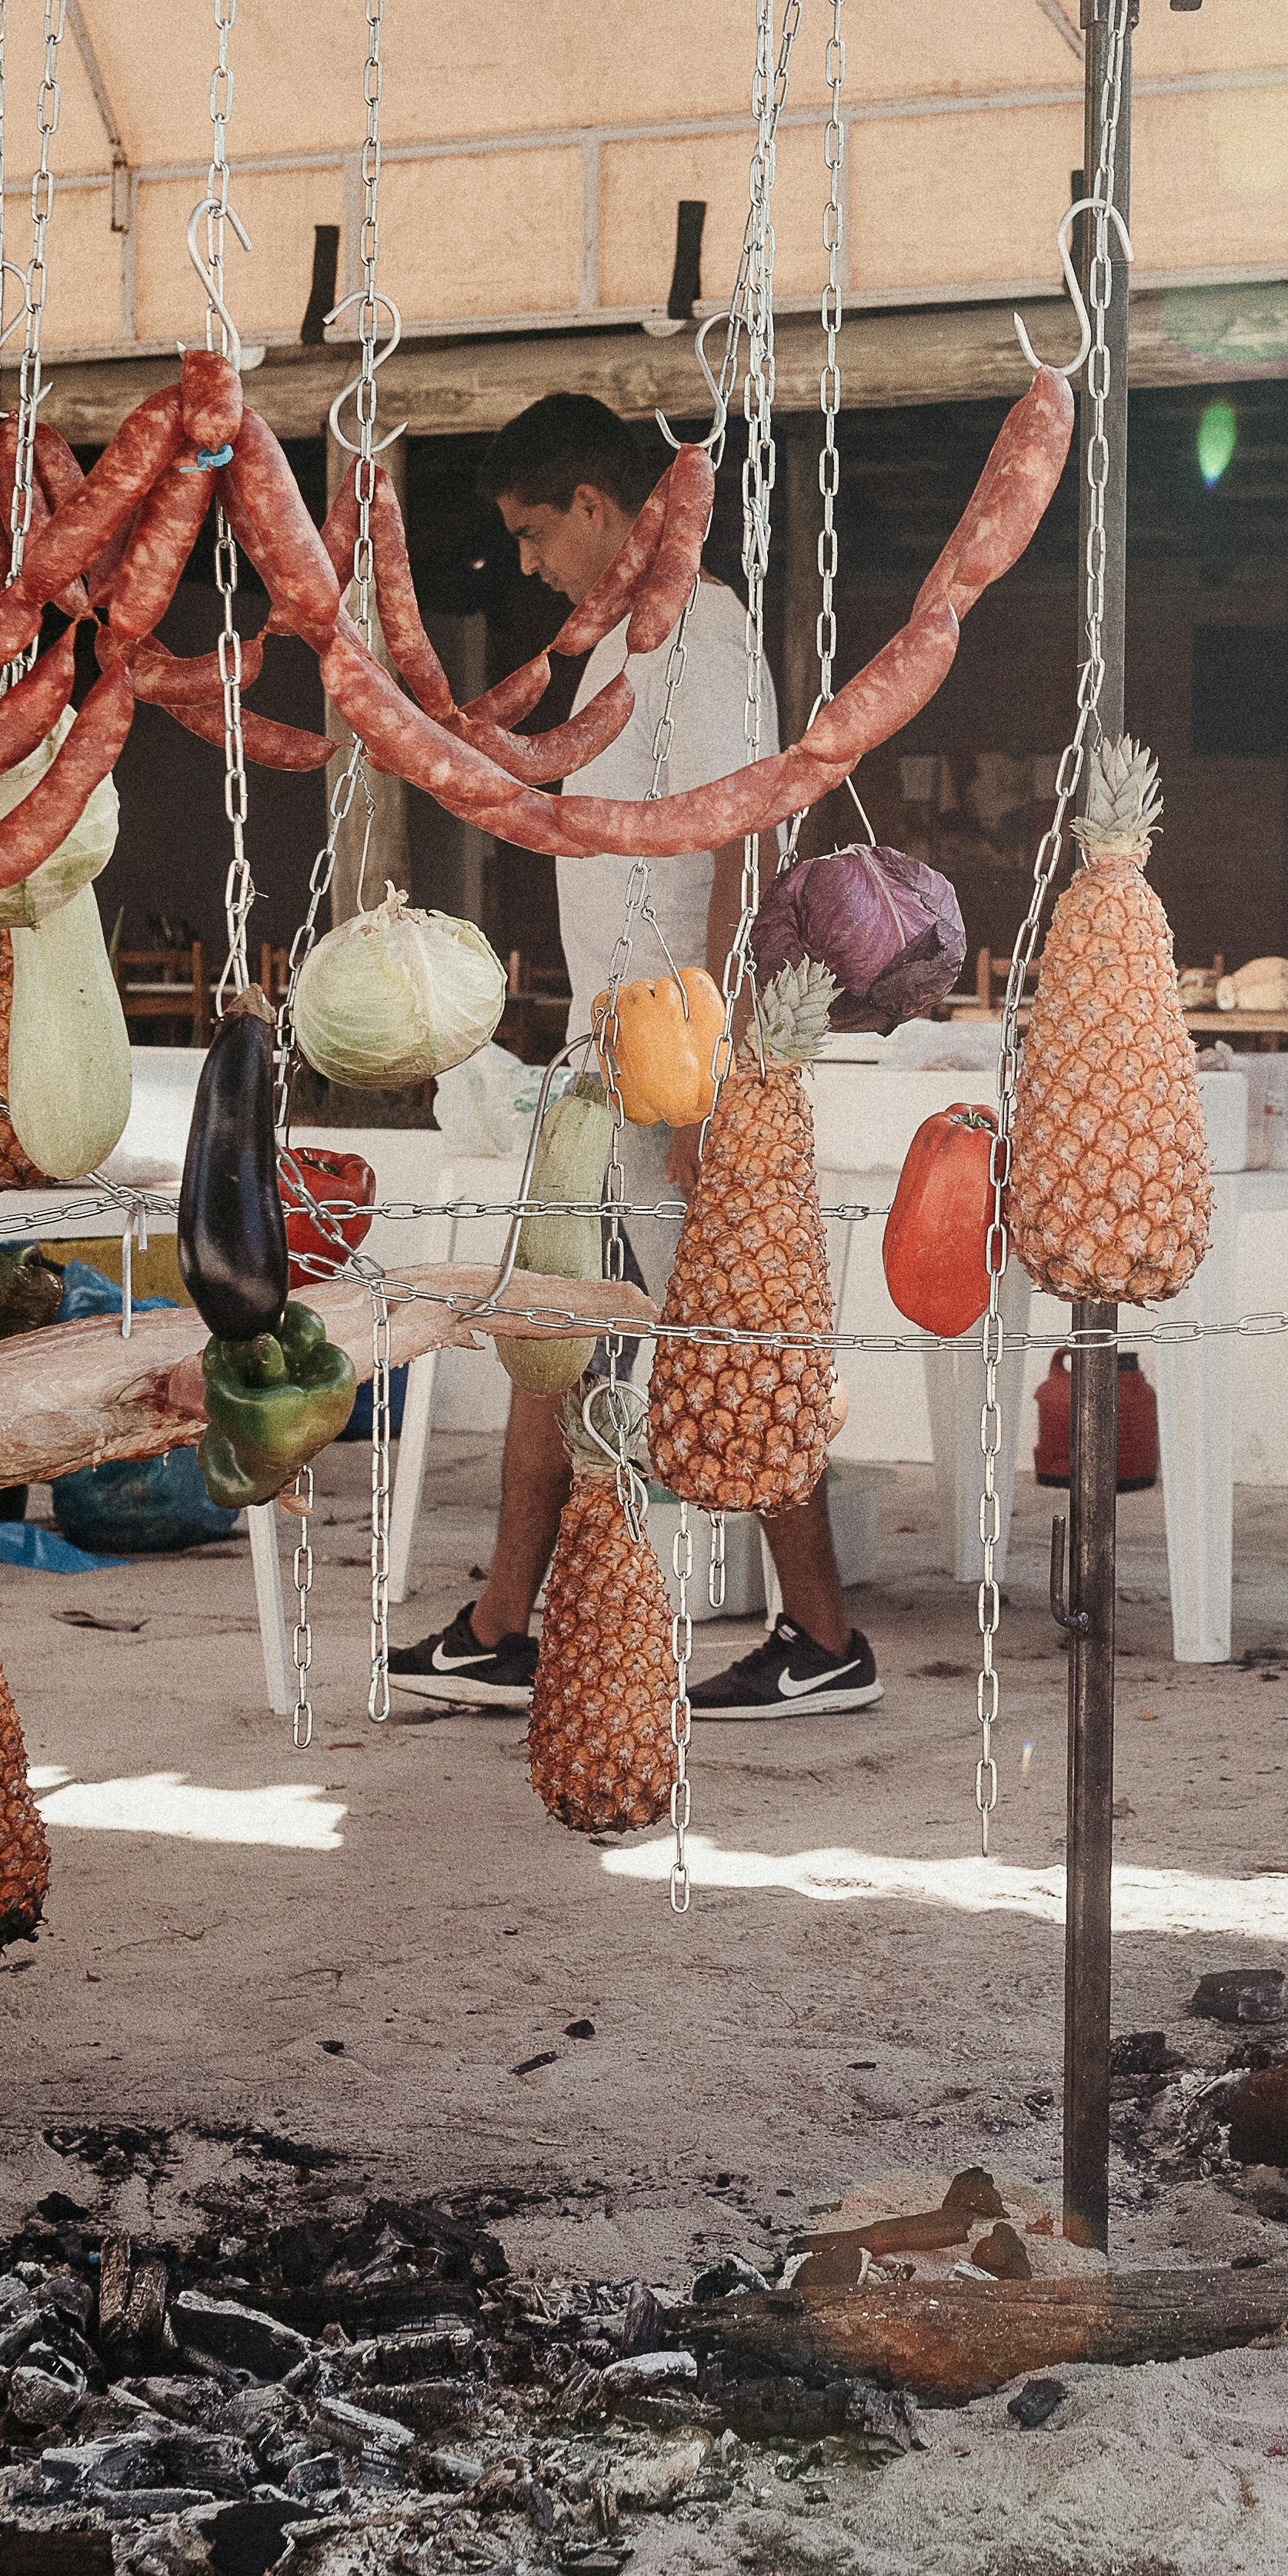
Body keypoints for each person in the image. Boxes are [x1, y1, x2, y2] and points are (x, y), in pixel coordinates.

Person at [387, 396, 879, 1722]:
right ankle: (501, 1627)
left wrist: (707, 1078)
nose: (531, 563)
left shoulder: (701, 633)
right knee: (553, 1328)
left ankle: (823, 1640)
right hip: (603, 1062)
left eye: (538, 533)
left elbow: (747, 839)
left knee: (734, 1347)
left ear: (600, 509)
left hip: (676, 1063)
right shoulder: (613, 650)